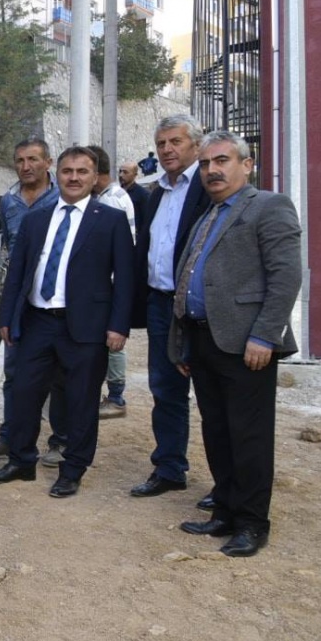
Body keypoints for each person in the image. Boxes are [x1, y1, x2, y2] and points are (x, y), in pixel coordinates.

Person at [170, 131, 301, 557]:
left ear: (247, 164)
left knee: (249, 437)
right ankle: (225, 509)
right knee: (217, 433)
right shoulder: (209, 213)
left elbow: (286, 277)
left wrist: (265, 334)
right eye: (207, 163)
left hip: (248, 345)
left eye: (222, 160)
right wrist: (184, 343)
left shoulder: (268, 206)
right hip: (205, 341)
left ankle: (251, 523)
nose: (213, 170)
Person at [0, 147, 134, 497]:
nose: (74, 177)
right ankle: (21, 461)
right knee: (23, 393)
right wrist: (7, 316)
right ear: (58, 173)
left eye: (83, 171)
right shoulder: (38, 219)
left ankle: (73, 468)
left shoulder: (109, 220)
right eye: (68, 171)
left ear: (95, 177)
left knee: (81, 401)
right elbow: (18, 271)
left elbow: (125, 278)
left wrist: (118, 326)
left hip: (86, 328)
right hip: (38, 322)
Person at [127, 114, 212, 501]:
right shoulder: (158, 191)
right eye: (161, 144)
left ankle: (226, 483)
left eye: (175, 142)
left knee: (214, 394)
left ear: (196, 144)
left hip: (201, 309)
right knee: (166, 390)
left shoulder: (210, 185)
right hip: (162, 305)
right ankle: (169, 468)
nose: (167, 150)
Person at [0, 138, 68, 465]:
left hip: (56, 298)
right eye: (20, 160)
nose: (26, 166)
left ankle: (60, 441)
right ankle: (11, 436)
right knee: (13, 372)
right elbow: (11, 250)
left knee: (59, 375)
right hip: (21, 300)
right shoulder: (9, 201)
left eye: (33, 160)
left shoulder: (63, 197)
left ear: (48, 162)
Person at [87, 146, 136, 418]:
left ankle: (116, 398)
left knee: (112, 342)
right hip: (109, 281)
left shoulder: (111, 202)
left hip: (110, 282)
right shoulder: (113, 195)